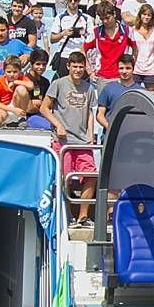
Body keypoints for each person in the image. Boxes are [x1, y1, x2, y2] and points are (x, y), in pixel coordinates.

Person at [39, 49, 98, 226]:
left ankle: (83, 216)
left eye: (81, 66)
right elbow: (44, 108)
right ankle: (66, 215)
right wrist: (58, 124)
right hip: (62, 141)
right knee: (64, 178)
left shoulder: (89, 88)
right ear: (68, 66)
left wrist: (91, 135)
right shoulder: (58, 83)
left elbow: (89, 113)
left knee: (91, 176)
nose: (78, 70)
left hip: (82, 141)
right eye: (75, 66)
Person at [84, 1, 133, 89]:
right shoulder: (96, 32)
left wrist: (130, 67)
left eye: (107, 18)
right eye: (102, 19)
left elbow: (136, 49)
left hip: (121, 77)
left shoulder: (126, 30)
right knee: (103, 103)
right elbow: (83, 51)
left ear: (114, 14)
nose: (105, 21)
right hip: (102, 77)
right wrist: (89, 71)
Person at [49, 0, 93, 78]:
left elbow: (92, 39)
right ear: (66, 1)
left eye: (75, 0)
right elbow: (52, 39)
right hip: (65, 55)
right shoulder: (60, 17)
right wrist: (63, 33)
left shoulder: (87, 18)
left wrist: (84, 34)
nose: (73, 2)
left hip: (81, 55)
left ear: (79, 1)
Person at [95, 52, 136, 129]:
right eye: (121, 68)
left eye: (128, 68)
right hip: (110, 134)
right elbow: (100, 115)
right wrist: (110, 128)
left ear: (133, 69)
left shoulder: (140, 91)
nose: (124, 71)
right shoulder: (108, 88)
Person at [0, 55, 30, 128]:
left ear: (20, 71)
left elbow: (31, 85)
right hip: (4, 109)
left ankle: (22, 117)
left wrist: (15, 82)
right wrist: (13, 110)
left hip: (18, 107)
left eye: (15, 72)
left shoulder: (22, 78)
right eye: (9, 72)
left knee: (21, 89)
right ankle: (2, 126)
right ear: (4, 71)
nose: (12, 75)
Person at [130, 4, 154, 89]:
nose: (146, 17)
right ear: (140, 15)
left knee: (151, 94)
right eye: (144, 14)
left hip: (151, 68)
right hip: (136, 67)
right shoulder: (133, 30)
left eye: (149, 15)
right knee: (135, 93)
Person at [24, 48, 52, 129]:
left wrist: (39, 104)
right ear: (31, 64)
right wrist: (40, 104)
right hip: (29, 118)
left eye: (44, 64)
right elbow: (28, 108)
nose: (41, 67)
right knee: (52, 127)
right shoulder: (25, 80)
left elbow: (48, 105)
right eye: (38, 64)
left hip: (43, 116)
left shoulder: (45, 82)